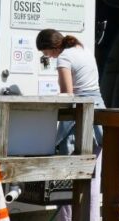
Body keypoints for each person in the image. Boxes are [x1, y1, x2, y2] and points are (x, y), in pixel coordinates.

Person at [36, 29, 105, 221]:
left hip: (79, 117)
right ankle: (92, 217)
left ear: (52, 47)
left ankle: (67, 219)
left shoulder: (64, 58)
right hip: (98, 114)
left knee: (68, 176)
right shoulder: (84, 50)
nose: (46, 57)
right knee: (93, 176)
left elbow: (68, 92)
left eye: (45, 53)